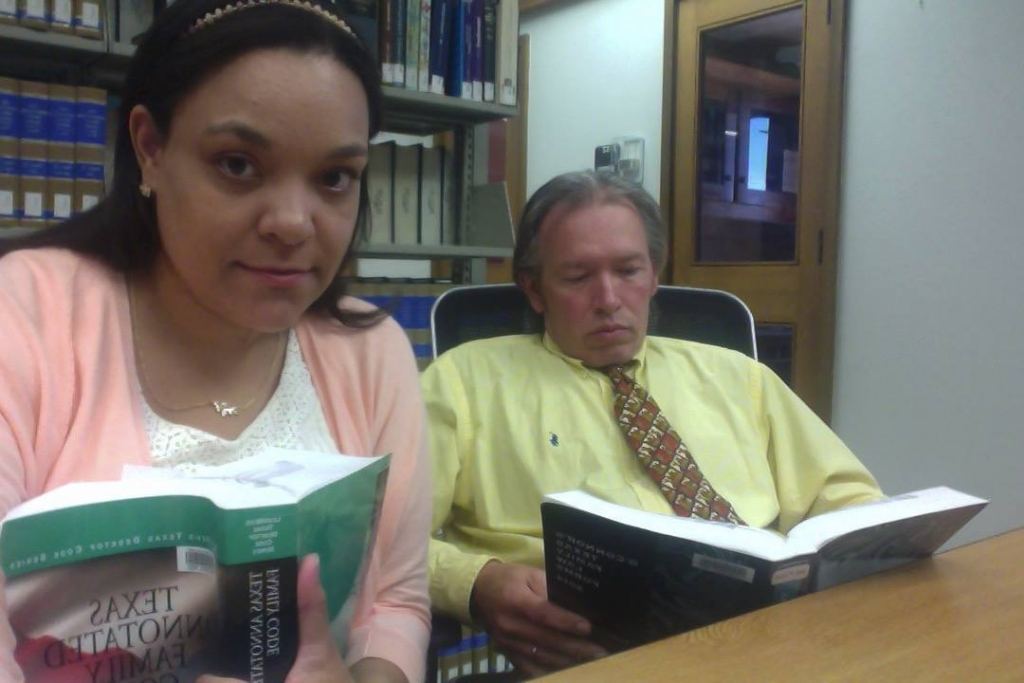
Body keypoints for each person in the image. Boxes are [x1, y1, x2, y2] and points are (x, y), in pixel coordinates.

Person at [0, 1, 430, 682]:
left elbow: (395, 602)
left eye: (334, 177)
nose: (293, 222)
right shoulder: (25, 312)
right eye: (237, 164)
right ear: (150, 147)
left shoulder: (372, 351)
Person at [422, 170, 882, 678]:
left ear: (655, 274)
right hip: (591, 656)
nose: (609, 299)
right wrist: (475, 582)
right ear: (534, 289)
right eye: (577, 277)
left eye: (629, 271)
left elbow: (850, 498)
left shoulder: (738, 377)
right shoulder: (464, 383)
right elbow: (384, 542)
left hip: (773, 641)